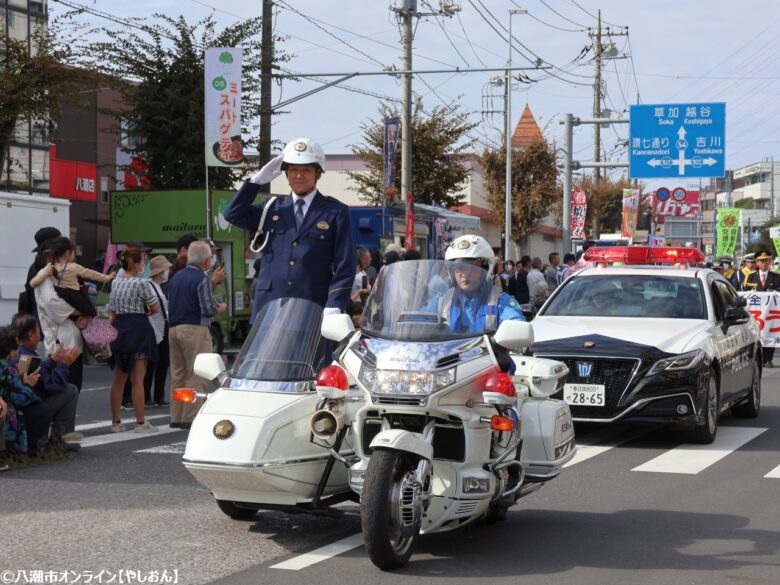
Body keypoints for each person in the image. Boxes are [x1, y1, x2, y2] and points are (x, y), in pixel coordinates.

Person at [224, 137, 356, 322]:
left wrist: (335, 304)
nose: (299, 175)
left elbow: (345, 264)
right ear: (285, 174)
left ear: (318, 173)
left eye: (306, 170)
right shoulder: (271, 208)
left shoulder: (335, 211)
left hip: (313, 308)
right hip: (270, 308)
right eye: (293, 169)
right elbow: (232, 214)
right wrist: (256, 181)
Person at [167, 241, 227, 429]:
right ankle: (190, 417)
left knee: (179, 374)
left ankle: (176, 416)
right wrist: (220, 307)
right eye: (211, 256)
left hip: (174, 328)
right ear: (206, 260)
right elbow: (207, 308)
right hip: (195, 328)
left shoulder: (176, 276)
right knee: (198, 374)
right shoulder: (201, 278)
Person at [422, 235, 525, 334]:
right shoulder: (442, 302)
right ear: (452, 272)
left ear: (487, 270)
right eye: (460, 268)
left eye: (473, 268)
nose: (465, 274)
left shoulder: (501, 302)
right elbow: (417, 321)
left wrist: (514, 332)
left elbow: (517, 326)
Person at [107, 247, 160, 433]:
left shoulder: (116, 283)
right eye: (143, 262)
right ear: (137, 264)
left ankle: (116, 422)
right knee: (138, 379)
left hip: (120, 329)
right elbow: (155, 308)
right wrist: (146, 311)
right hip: (138, 328)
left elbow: (111, 310)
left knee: (119, 379)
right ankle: (140, 423)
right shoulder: (142, 283)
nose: (144, 266)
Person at [11, 314, 82, 451]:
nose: (40, 334)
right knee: (70, 390)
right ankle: (60, 440)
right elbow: (53, 386)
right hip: (32, 410)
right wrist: (63, 364)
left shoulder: (18, 353)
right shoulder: (28, 357)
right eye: (38, 330)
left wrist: (53, 360)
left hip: (19, 409)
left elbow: (40, 373)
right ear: (31, 334)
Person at [29, 237, 115, 318]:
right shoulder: (73, 267)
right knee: (94, 311)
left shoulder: (50, 266)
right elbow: (91, 274)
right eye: (73, 252)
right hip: (76, 297)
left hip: (61, 297)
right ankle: (104, 323)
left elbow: (33, 282)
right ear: (67, 253)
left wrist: (33, 283)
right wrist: (107, 277)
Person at [0, 325, 42, 457]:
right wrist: (28, 384)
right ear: (10, 349)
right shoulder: (8, 369)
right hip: (8, 419)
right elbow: (20, 398)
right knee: (41, 409)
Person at [144, 255, 172, 407]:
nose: (168, 271)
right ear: (160, 271)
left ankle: (159, 396)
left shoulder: (159, 287)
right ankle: (148, 396)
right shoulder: (149, 286)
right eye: (166, 269)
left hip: (163, 328)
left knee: (163, 363)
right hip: (154, 330)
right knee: (151, 364)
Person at [745, 250, 780, 367]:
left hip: (770, 312)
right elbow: (745, 293)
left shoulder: (776, 277)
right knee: (754, 334)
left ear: (770, 263)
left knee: (770, 333)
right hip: (755, 312)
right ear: (757, 263)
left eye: (766, 261)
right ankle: (754, 357)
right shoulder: (750, 277)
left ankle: (768, 358)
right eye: (761, 261)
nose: (764, 263)